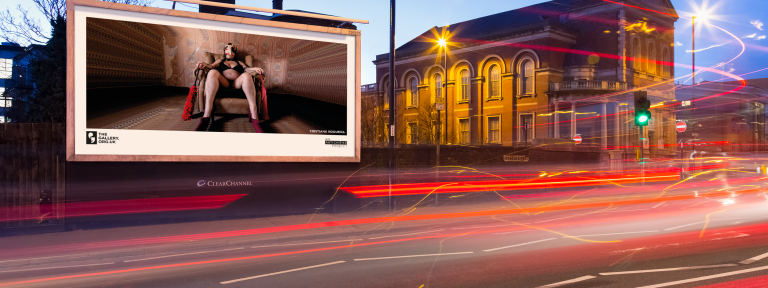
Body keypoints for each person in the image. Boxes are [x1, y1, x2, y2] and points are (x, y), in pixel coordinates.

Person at [195, 43, 265, 132]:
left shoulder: (239, 62)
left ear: (235, 52)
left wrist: (255, 68)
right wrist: (204, 64)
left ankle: (255, 116)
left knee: (247, 75)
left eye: (232, 50)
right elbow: (211, 66)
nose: (230, 51)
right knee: (212, 72)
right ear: (225, 51)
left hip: (237, 83)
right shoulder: (220, 60)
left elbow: (247, 69)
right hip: (224, 82)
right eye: (227, 49)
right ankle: (206, 116)